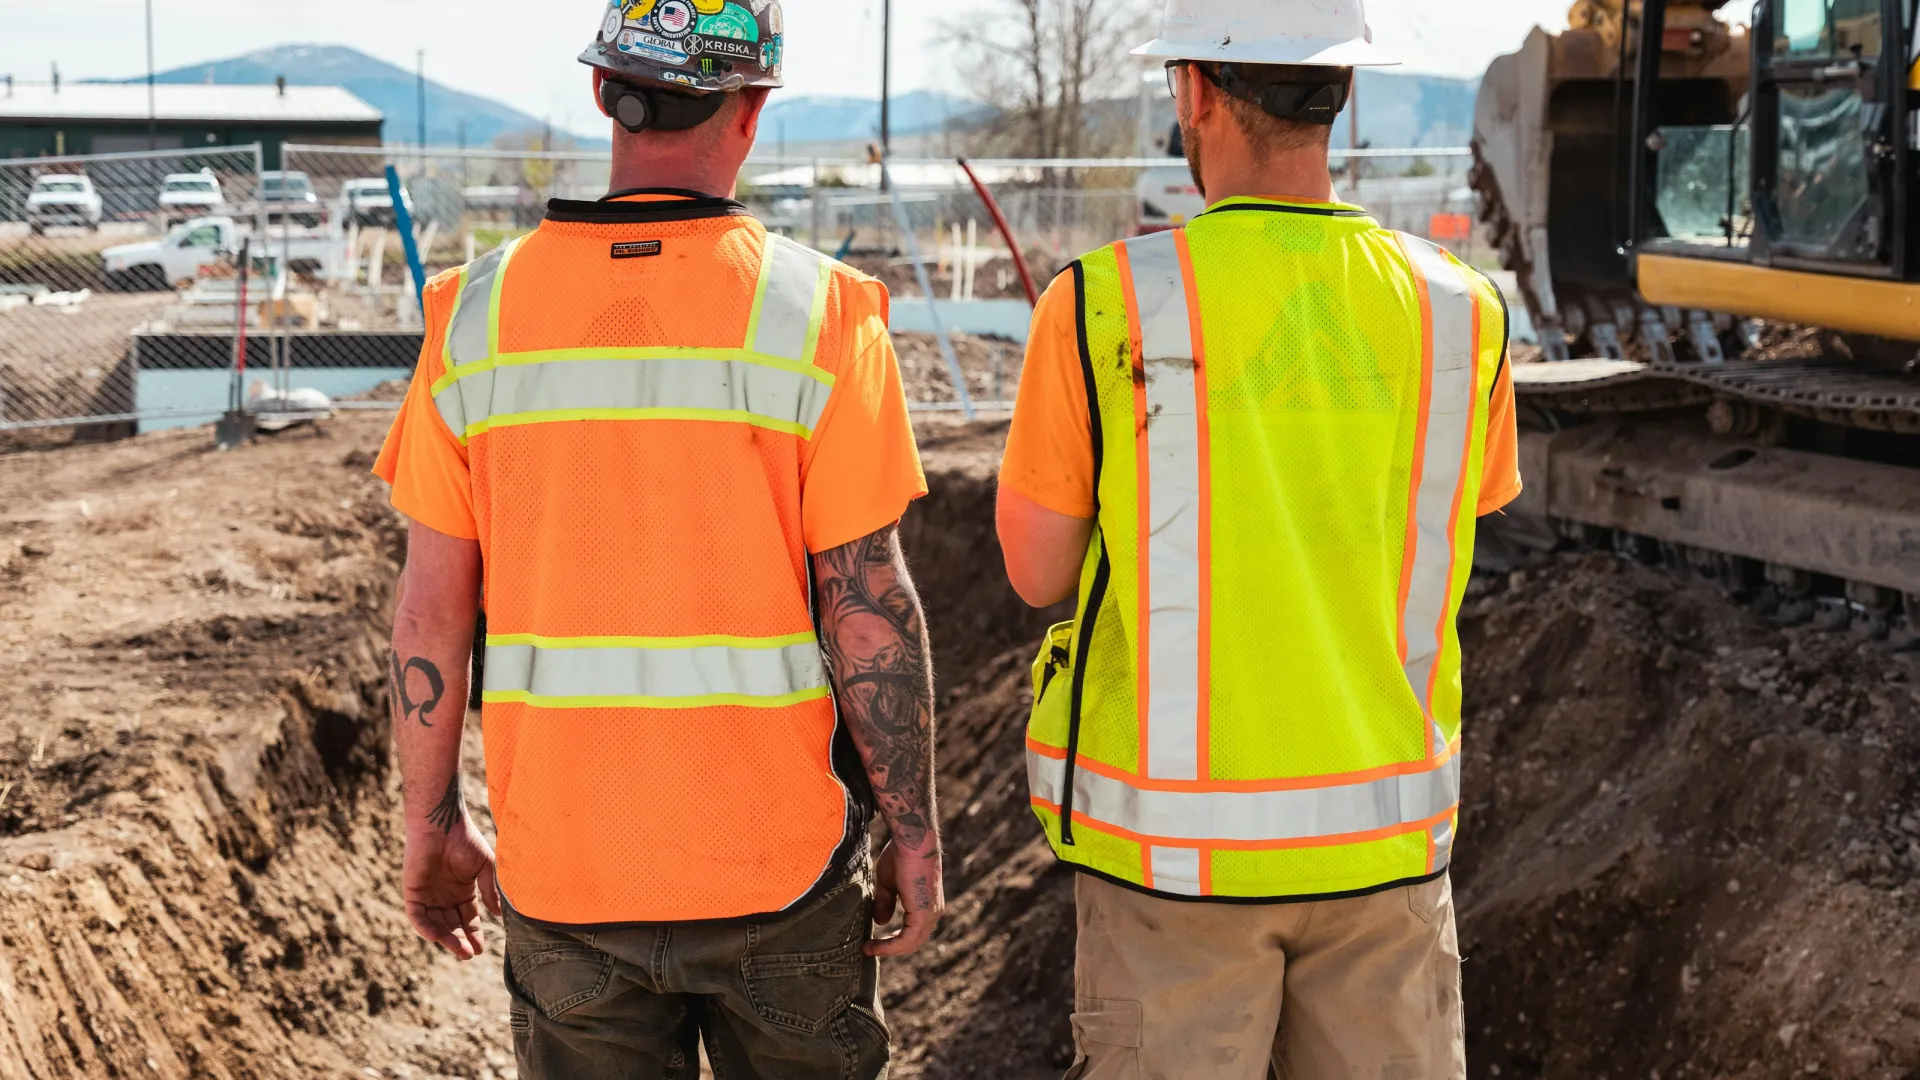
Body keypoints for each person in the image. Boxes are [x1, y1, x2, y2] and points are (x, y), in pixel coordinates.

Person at [371, 2, 943, 1075]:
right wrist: (912, 833)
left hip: (567, 877)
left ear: (602, 93)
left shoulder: (470, 316)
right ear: (754, 106)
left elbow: (429, 608)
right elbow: (867, 603)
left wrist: (432, 824)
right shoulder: (823, 311)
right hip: (781, 872)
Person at [994, 0, 1521, 1076]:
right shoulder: (1462, 310)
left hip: (1174, 872)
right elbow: (1440, 526)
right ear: (1343, 90)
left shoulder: (1104, 303)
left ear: (1194, 90)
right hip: (1385, 855)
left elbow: (1038, 570)